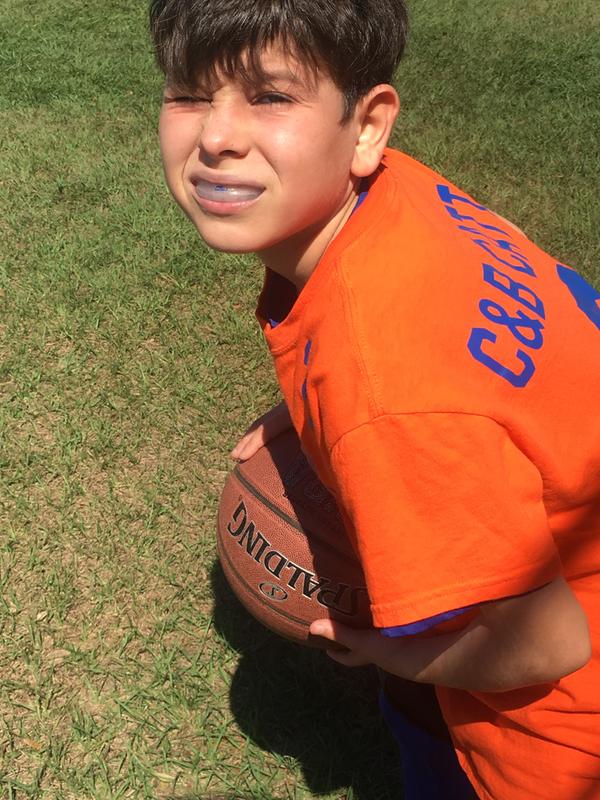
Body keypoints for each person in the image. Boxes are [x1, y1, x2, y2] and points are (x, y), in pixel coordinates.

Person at [149, 1, 600, 797]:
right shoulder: (403, 196)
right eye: (189, 92)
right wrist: (316, 407)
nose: (216, 135)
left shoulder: (390, 394)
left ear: (366, 127)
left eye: (271, 95)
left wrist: (385, 649)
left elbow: (547, 645)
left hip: (557, 738)